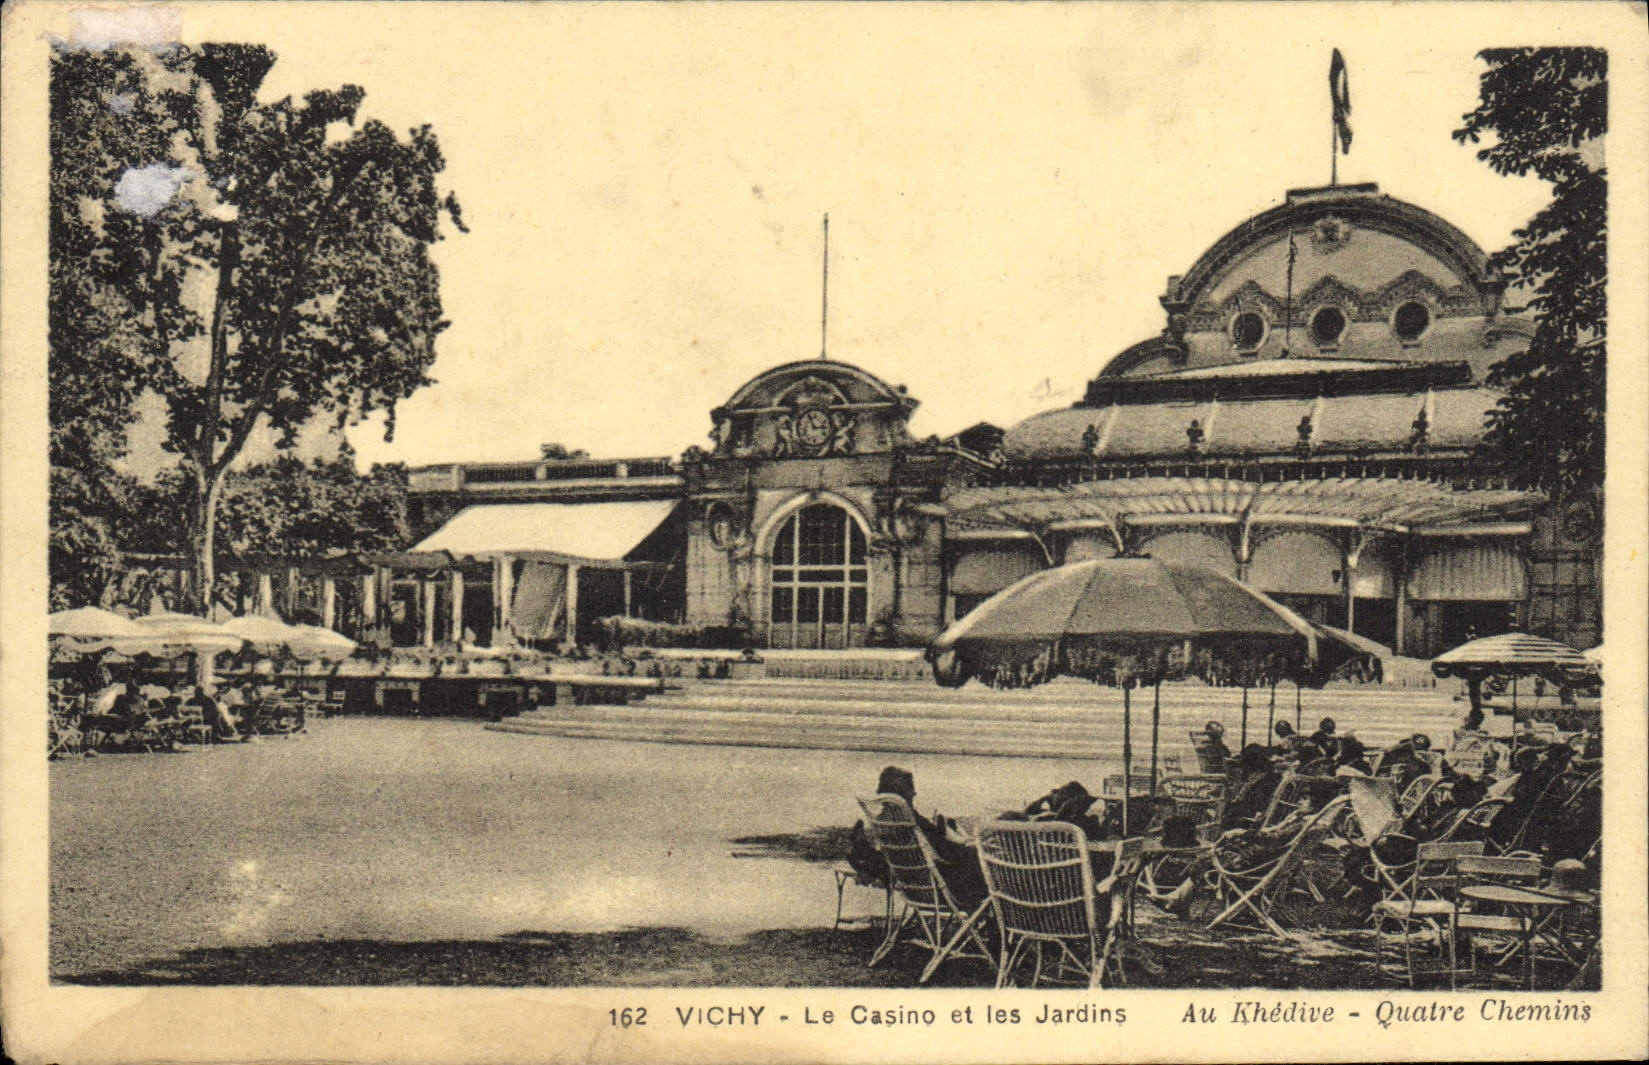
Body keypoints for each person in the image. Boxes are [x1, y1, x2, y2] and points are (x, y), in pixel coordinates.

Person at [847, 766, 986, 908]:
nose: (915, 793)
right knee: (984, 854)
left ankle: (866, 855)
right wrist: (972, 844)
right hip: (946, 891)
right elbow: (949, 854)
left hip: (914, 888)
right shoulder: (912, 820)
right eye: (911, 788)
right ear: (904, 794)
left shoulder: (887, 822)